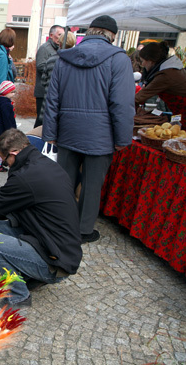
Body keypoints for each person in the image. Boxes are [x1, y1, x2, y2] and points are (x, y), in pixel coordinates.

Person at [0, 129, 82, 308]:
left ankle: (17, 295)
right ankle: (23, 274)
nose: (5, 165)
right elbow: (2, 206)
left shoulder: (27, 176)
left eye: (4, 161)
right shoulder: (39, 163)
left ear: (14, 153)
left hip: (55, 259)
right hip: (42, 237)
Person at [42, 15, 135, 244]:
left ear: (90, 31)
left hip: (68, 131)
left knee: (64, 181)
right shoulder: (119, 59)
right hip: (100, 134)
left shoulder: (65, 57)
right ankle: (83, 230)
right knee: (92, 186)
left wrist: (50, 134)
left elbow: (52, 99)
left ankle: (57, 222)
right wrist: (123, 138)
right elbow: (122, 103)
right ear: (111, 35)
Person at [136, 42, 186, 133]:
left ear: (151, 61)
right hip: (183, 113)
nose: (142, 65)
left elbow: (139, 97)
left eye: (143, 61)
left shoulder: (166, 74)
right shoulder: (170, 69)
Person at [37, 32, 76, 124]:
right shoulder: (77, 61)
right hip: (69, 105)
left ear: (60, 43)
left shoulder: (51, 60)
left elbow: (43, 81)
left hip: (49, 102)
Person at [34, 24, 64, 128]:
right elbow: (40, 66)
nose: (61, 37)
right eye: (59, 34)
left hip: (51, 90)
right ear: (51, 35)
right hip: (43, 90)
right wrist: (53, 67)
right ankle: (34, 141)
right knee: (40, 120)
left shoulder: (57, 48)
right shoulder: (45, 48)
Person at [0, 81, 17, 172]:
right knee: (4, 147)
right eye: (12, 92)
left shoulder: (0, 101)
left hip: (0, 127)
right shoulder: (6, 104)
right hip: (5, 129)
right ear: (6, 92)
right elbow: (7, 119)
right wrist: (11, 129)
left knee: (1, 146)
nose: (14, 94)